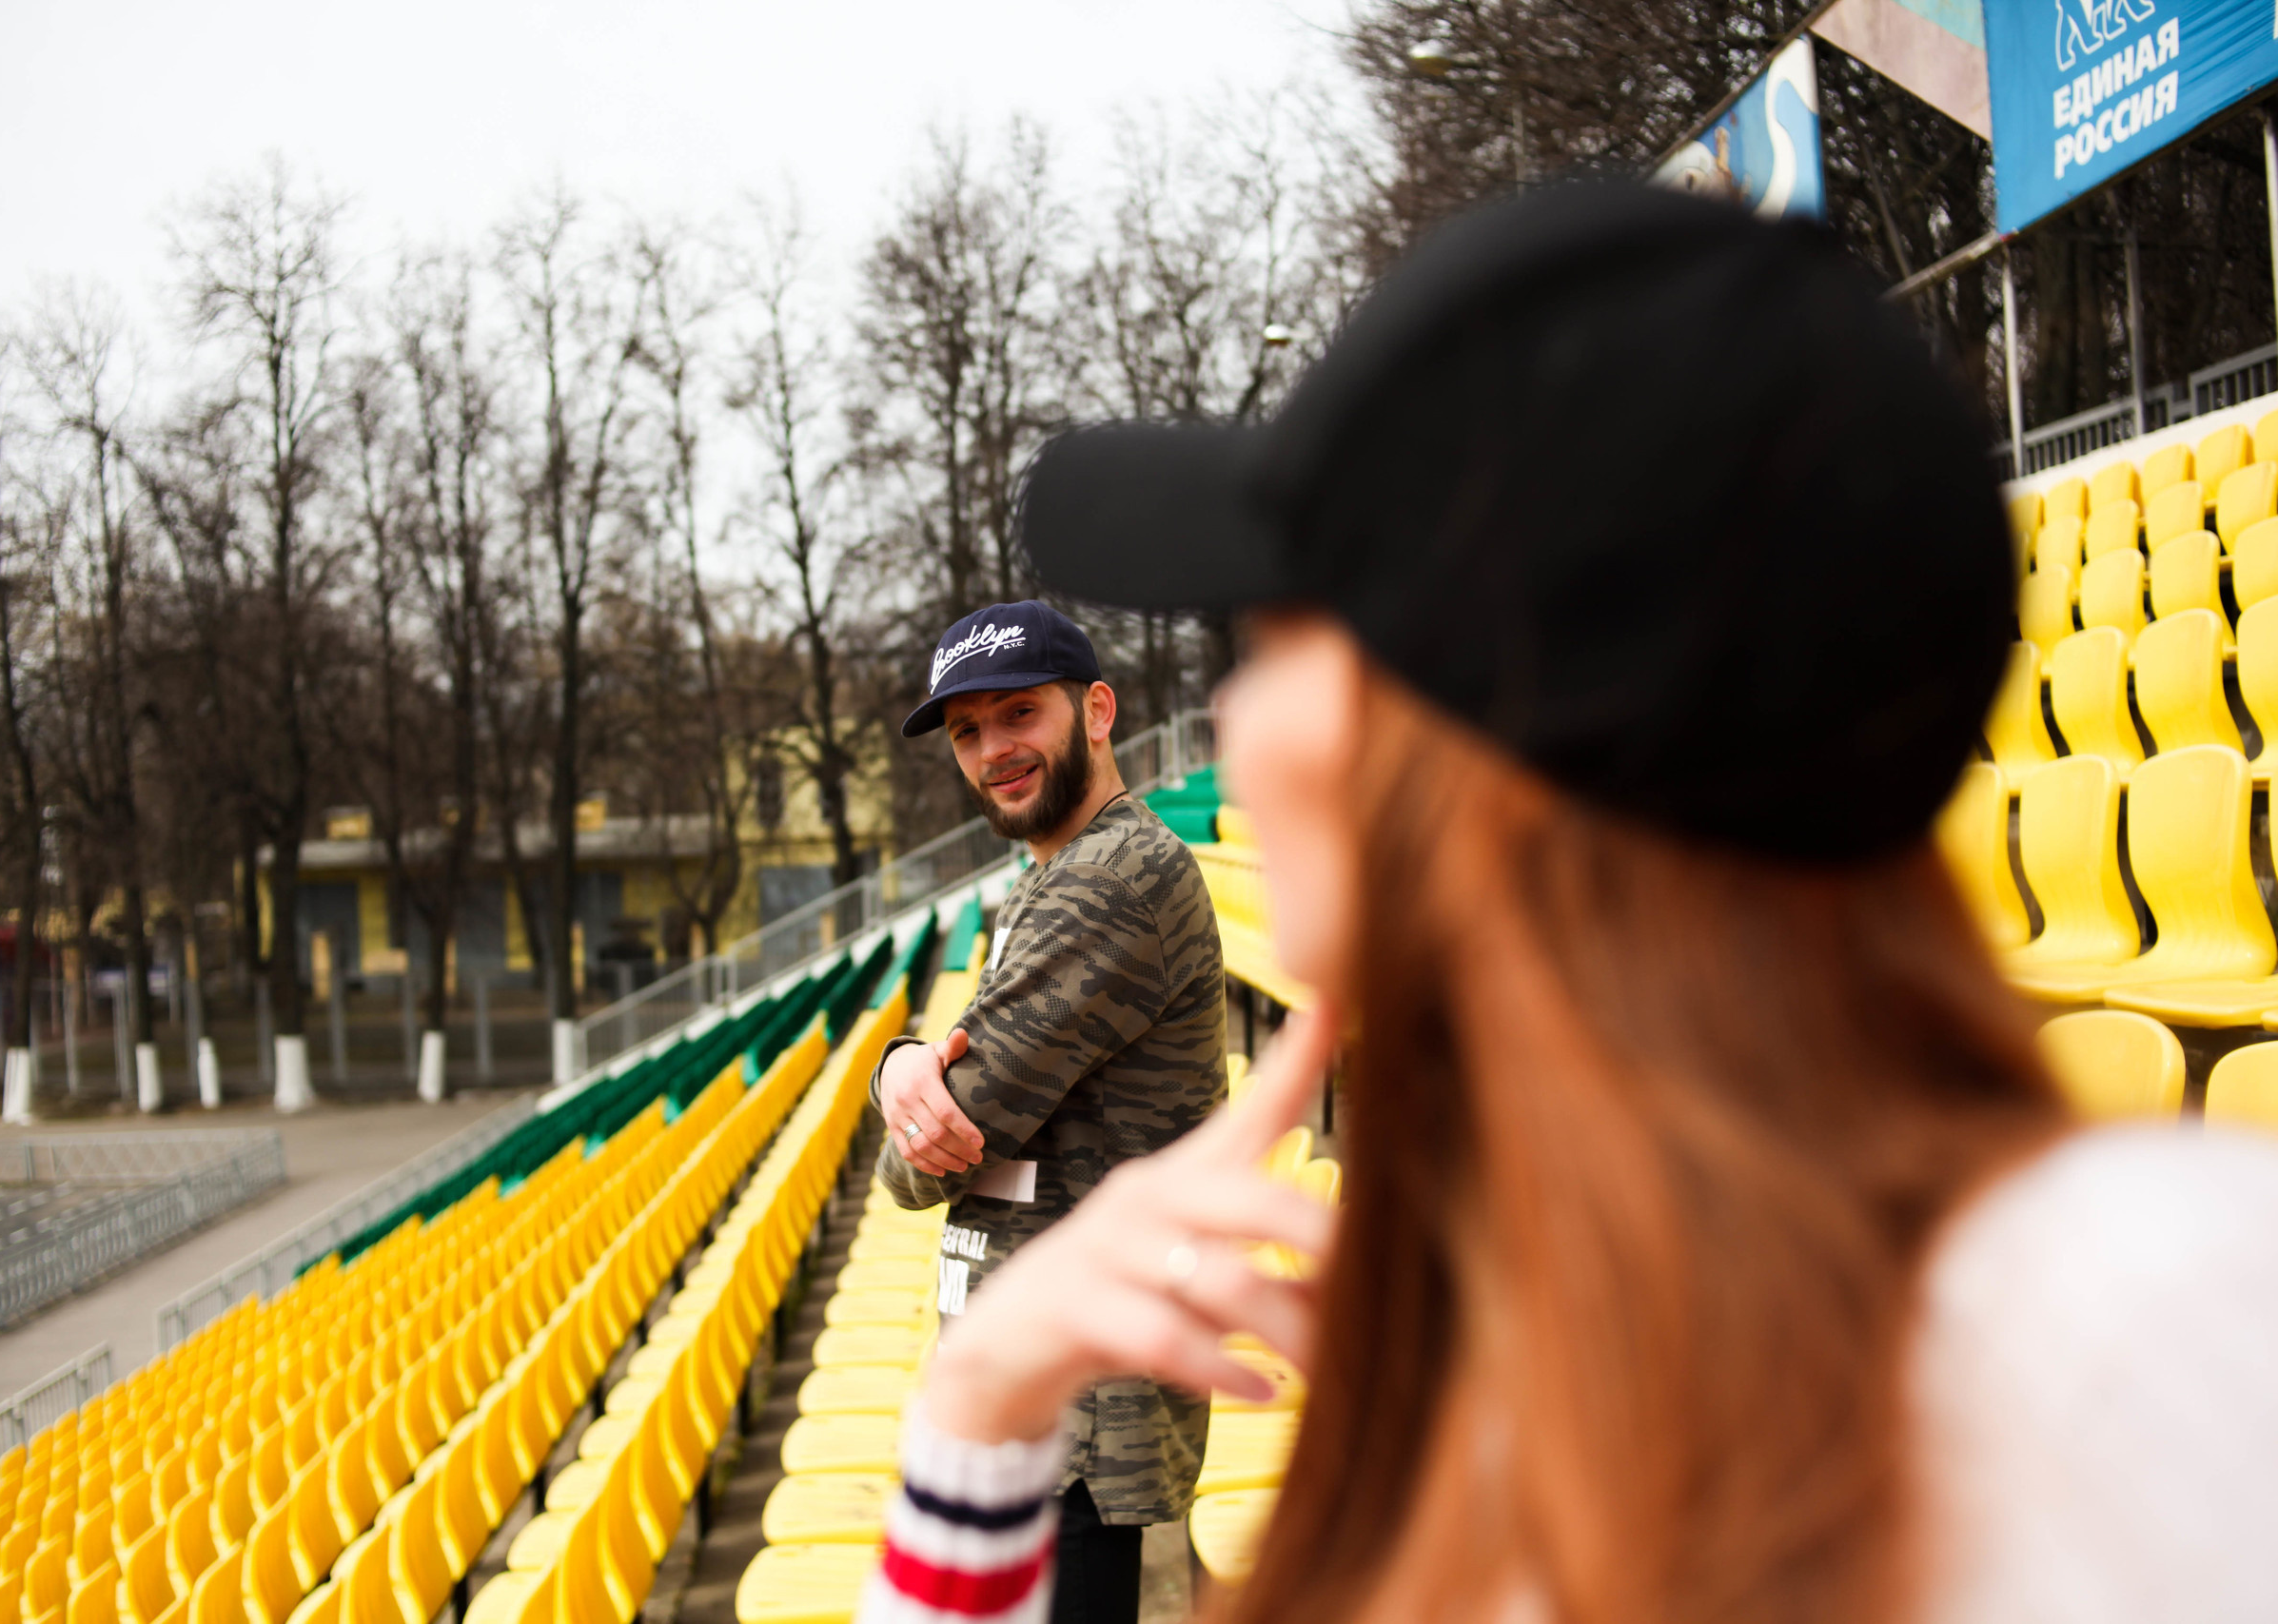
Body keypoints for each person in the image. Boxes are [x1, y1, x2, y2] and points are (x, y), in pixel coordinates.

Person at [857, 183, 2278, 1624]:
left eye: (1283, 640)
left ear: (1509, 719)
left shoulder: (2170, 1331)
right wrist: (980, 1412)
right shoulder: (1526, 1332)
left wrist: (973, 1449)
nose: (1239, 725)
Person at [871, 599, 1228, 1624]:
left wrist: (907, 1095)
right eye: (967, 731)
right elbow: (941, 1095)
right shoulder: (1057, 873)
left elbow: (917, 1167)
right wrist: (899, 1067)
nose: (993, 750)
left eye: (1019, 713)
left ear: (1098, 712)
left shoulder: (1110, 883)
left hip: (1075, 1407)